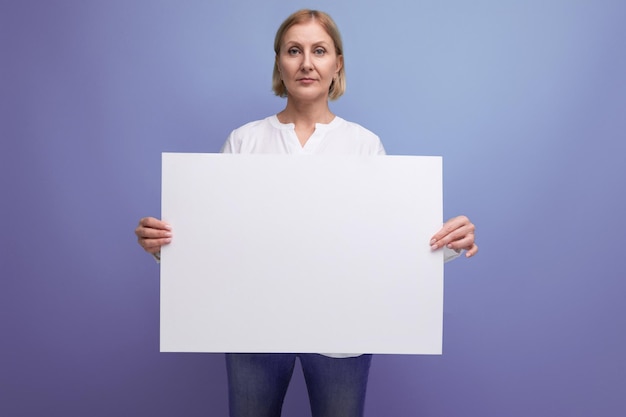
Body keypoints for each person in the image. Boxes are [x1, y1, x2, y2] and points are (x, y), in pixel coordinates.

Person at [135, 9, 478, 417]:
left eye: (319, 50)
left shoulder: (364, 146)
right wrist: (164, 247)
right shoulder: (244, 141)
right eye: (294, 50)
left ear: (338, 64)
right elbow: (217, 240)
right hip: (252, 326)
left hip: (343, 329)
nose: (307, 63)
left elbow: (386, 244)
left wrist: (449, 243)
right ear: (279, 62)